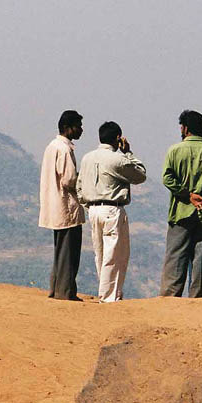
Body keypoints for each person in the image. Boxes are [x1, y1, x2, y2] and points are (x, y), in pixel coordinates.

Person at [76, 121, 147, 302]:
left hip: (93, 209)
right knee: (114, 254)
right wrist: (128, 152)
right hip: (112, 209)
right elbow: (140, 175)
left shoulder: (87, 158)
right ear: (118, 138)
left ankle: (106, 292)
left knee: (100, 254)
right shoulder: (117, 159)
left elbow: (79, 186)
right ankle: (109, 297)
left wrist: (87, 204)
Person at [160, 110, 202, 298]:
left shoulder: (175, 150)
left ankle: (169, 299)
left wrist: (188, 195)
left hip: (181, 211)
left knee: (175, 258)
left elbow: (167, 178)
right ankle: (198, 300)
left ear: (185, 128)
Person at [39, 110, 85, 301]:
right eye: (78, 126)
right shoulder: (65, 149)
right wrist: (84, 186)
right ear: (67, 128)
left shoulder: (52, 146)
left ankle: (57, 288)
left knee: (60, 251)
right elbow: (69, 180)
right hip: (66, 207)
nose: (81, 130)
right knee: (69, 252)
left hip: (54, 206)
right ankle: (65, 292)